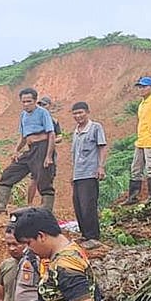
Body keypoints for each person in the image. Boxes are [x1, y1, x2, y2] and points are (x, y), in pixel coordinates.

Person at [0, 88, 57, 214]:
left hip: (43, 147)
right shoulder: (23, 115)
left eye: (29, 101)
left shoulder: (43, 113)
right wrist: (16, 150)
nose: (26, 104)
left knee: (43, 178)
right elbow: (23, 137)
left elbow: (51, 134)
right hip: (31, 149)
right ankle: (1, 205)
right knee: (9, 173)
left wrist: (48, 156)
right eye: (23, 102)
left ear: (35, 101)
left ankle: (46, 209)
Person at [67, 101, 108, 250]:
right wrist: (72, 174)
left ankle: (93, 237)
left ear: (87, 112)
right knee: (78, 205)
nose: (78, 116)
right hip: (78, 174)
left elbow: (102, 147)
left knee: (88, 205)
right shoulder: (76, 131)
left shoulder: (95, 128)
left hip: (89, 173)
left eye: (80, 112)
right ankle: (85, 234)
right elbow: (75, 155)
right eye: (75, 113)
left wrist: (100, 167)